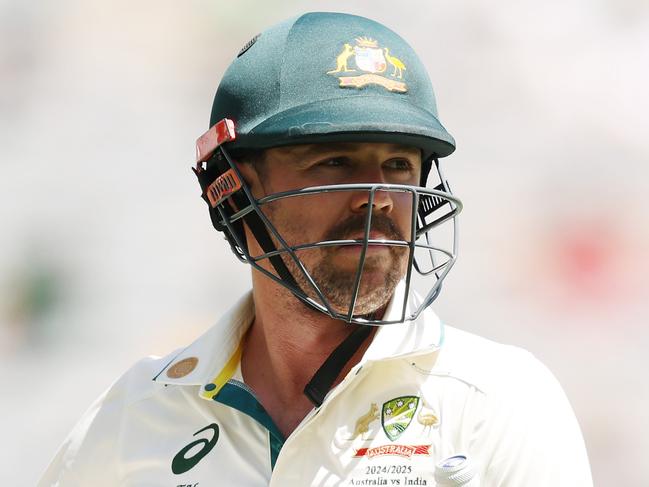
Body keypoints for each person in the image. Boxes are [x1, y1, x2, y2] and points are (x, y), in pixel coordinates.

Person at [39, 12, 593, 486]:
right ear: (232, 191)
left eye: (399, 165)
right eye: (335, 162)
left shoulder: (499, 402)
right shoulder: (136, 416)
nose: (377, 198)